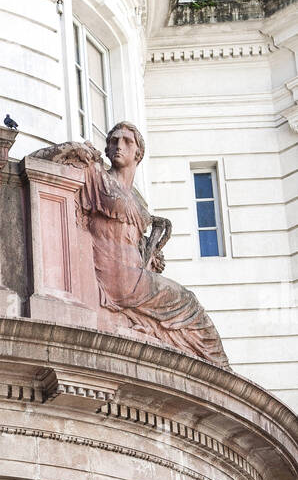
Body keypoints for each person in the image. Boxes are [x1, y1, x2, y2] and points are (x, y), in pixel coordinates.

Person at [78, 122, 229, 368]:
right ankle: (219, 368)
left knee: (191, 313)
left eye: (127, 142)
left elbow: (134, 241)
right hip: (117, 278)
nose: (119, 145)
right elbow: (52, 160)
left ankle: (218, 369)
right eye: (114, 141)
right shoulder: (97, 176)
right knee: (189, 304)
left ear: (138, 153)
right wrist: (75, 150)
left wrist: (151, 253)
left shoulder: (137, 202)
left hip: (135, 274)